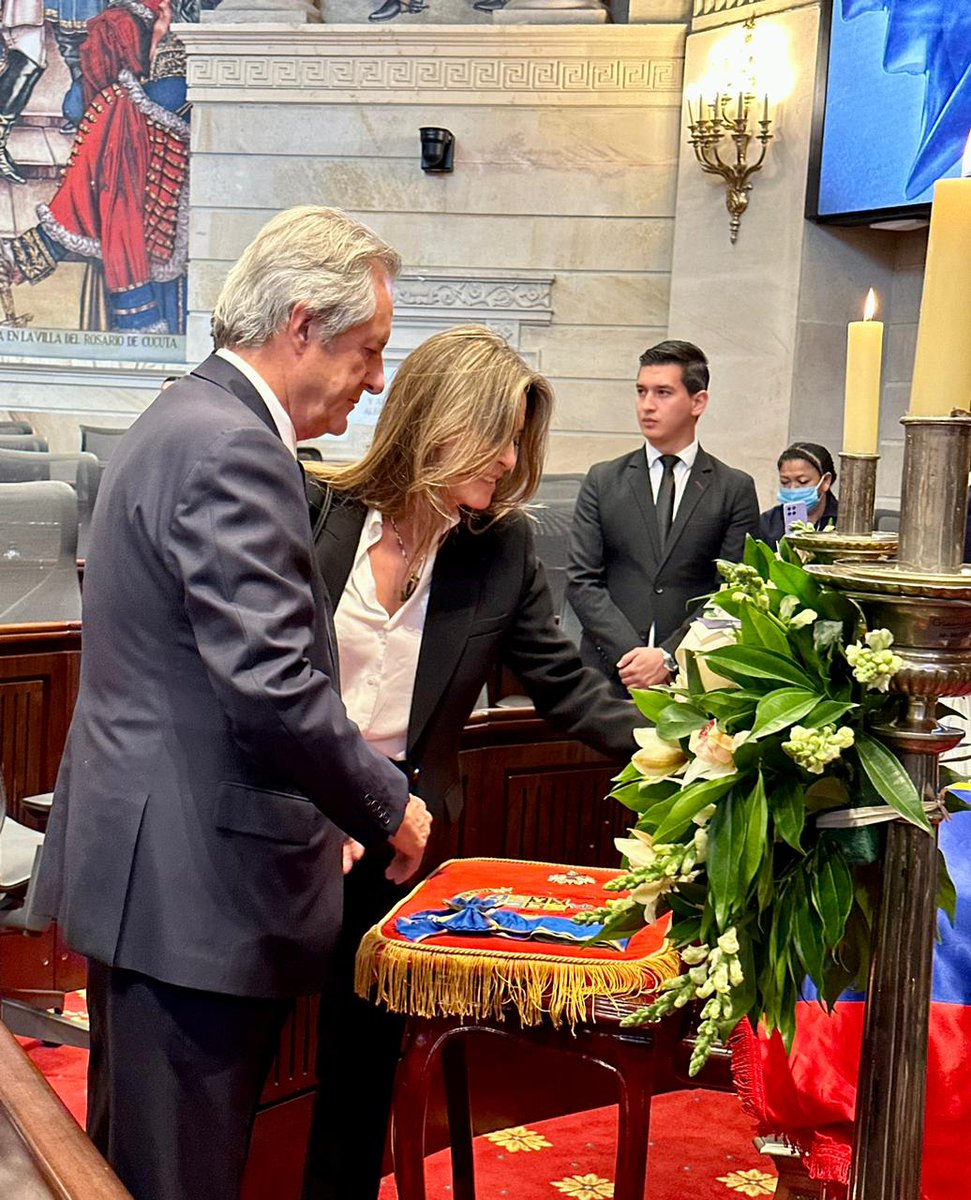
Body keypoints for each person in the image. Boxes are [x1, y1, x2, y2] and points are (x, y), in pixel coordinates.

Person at [33, 205, 432, 1200]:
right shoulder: (233, 448)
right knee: (176, 1179)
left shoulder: (183, 416)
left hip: (154, 876)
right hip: (192, 890)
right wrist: (387, 803)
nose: (376, 379)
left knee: (137, 1168)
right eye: (367, 350)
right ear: (300, 324)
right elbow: (271, 685)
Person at [301, 324, 642, 1200]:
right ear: (437, 418)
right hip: (285, 822)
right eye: (496, 435)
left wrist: (683, 750)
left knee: (357, 1073)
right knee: (245, 1059)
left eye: (519, 442)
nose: (508, 460)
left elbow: (565, 685)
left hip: (395, 839)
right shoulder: (311, 509)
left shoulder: (500, 549)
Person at [565, 339, 760, 697]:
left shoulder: (733, 488)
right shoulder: (603, 479)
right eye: (641, 392)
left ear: (698, 401)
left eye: (663, 392)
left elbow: (732, 593)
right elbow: (582, 580)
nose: (647, 405)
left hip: (695, 678)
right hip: (608, 676)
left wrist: (669, 656)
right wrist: (631, 657)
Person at [0, 0, 190, 333]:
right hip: (167, 249)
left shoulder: (115, 103)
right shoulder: (134, 85)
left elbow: (77, 106)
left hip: (148, 258)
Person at [757, 441, 839, 544]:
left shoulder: (844, 522)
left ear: (826, 481)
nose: (793, 488)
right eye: (785, 482)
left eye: (802, 481)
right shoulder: (768, 523)